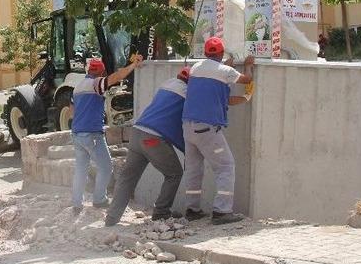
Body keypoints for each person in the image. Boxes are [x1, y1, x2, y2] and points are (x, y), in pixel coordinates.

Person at [105, 66, 191, 226]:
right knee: (174, 174)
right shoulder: (188, 94)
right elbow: (180, 125)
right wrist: (188, 150)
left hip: (137, 132)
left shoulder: (167, 85)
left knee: (127, 178)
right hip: (153, 139)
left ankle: (111, 218)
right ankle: (161, 212)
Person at [182, 37, 255, 225]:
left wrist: (226, 68)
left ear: (206, 53)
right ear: (221, 53)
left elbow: (215, 89)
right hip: (207, 129)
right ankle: (222, 211)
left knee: (193, 169)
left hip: (188, 126)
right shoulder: (225, 71)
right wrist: (248, 65)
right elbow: (246, 79)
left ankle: (192, 209)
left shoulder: (195, 68)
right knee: (226, 167)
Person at [71, 55, 144, 214]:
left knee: (81, 169)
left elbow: (73, 110)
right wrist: (133, 65)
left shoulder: (78, 87)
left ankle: (76, 203)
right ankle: (99, 200)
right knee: (106, 167)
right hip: (92, 134)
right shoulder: (96, 83)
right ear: (101, 72)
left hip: (77, 134)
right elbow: (116, 77)